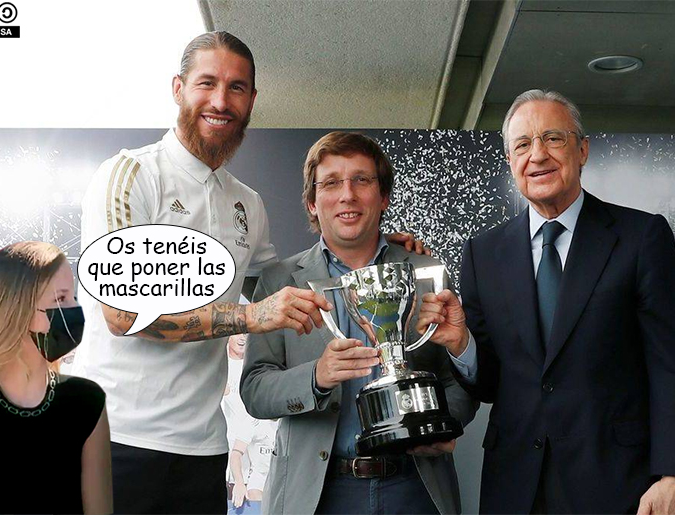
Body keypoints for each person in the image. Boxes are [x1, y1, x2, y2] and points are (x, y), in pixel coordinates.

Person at [74, 31, 423, 514]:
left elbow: (296, 277)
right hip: (118, 436)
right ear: (178, 88)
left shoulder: (247, 204)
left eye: (236, 87)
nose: (221, 101)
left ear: (252, 100)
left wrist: (382, 249)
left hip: (204, 447)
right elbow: (123, 315)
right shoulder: (132, 175)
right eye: (207, 83)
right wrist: (249, 317)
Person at [422, 89, 675, 514]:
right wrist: (463, 345)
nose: (537, 155)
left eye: (553, 138)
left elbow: (674, 367)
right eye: (522, 145)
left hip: (618, 485)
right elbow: (492, 385)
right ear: (510, 161)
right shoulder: (483, 253)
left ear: (582, 150)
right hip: (515, 488)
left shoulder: (641, 237)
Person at [240, 132, 477, 515]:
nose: (347, 195)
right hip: (317, 495)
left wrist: (443, 424)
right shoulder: (278, 281)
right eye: (331, 183)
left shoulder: (426, 272)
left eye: (361, 180)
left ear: (383, 197)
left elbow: (458, 380)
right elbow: (254, 389)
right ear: (312, 202)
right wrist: (316, 377)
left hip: (414, 487)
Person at [0, 241, 112, 514]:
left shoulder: (88, 401)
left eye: (72, 297)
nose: (74, 309)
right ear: (16, 310)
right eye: (60, 299)